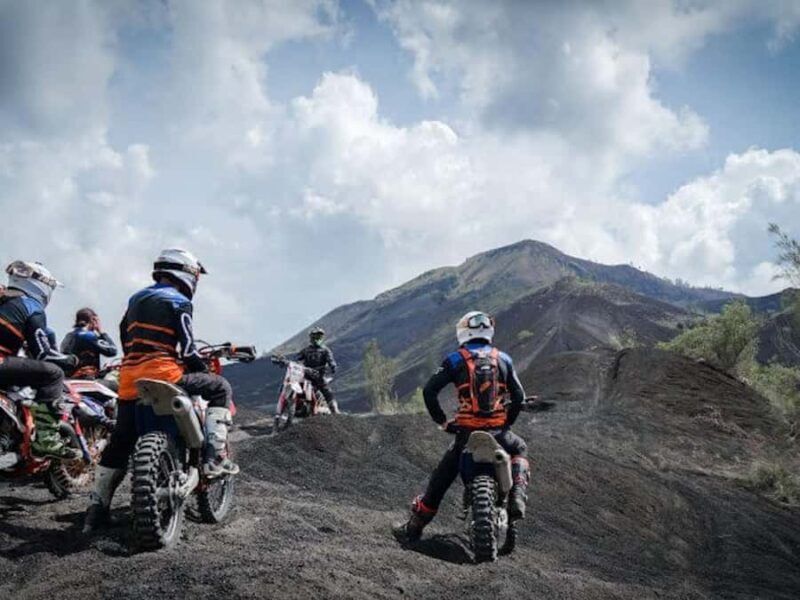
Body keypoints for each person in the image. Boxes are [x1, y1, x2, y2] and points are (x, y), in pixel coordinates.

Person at [84, 248, 238, 533]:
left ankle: (97, 508)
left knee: (121, 441)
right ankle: (215, 459)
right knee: (220, 387)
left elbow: (124, 339)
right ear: (186, 274)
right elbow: (189, 349)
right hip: (165, 375)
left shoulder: (135, 299)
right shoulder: (178, 301)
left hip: (130, 378)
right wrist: (201, 369)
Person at [393, 311, 531, 543]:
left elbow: (429, 391)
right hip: (499, 432)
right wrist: (506, 424)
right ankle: (517, 493)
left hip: (466, 434)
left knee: (440, 480)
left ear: (464, 331)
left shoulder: (456, 359)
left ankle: (414, 527)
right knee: (520, 448)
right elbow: (519, 397)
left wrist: (442, 421)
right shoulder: (503, 358)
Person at [0, 261, 79, 458]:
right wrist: (71, 360)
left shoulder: (4, 298)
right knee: (53, 373)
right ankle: (46, 440)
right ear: (40, 285)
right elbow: (44, 353)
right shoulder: (31, 306)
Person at [291, 326, 339, 414]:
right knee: (296, 387)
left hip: (319, 376)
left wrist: (333, 366)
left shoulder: (325, 350)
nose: (317, 339)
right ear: (311, 338)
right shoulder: (306, 350)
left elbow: (331, 360)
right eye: (315, 337)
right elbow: (296, 358)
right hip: (307, 377)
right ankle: (296, 407)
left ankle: (334, 410)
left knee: (327, 391)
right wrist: (293, 363)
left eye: (319, 337)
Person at [60, 307, 117, 379]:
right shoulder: (88, 336)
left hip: (69, 378)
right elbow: (112, 350)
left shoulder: (69, 336)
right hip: (85, 378)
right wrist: (101, 332)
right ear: (93, 320)